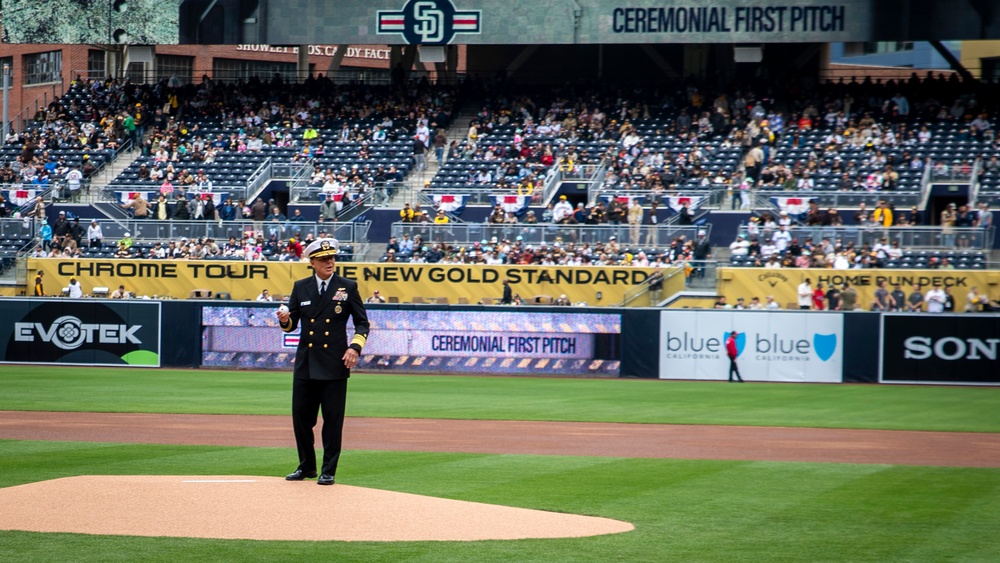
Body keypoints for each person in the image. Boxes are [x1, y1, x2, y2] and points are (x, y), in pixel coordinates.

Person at [276, 238, 370, 486]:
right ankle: (306, 466)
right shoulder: (301, 287)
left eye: (332, 258)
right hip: (306, 363)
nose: (330, 262)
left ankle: (328, 470)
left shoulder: (347, 286)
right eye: (324, 259)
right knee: (301, 419)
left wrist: (355, 347)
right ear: (312, 262)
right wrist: (284, 318)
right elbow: (291, 325)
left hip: (335, 363)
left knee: (332, 420)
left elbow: (362, 322)